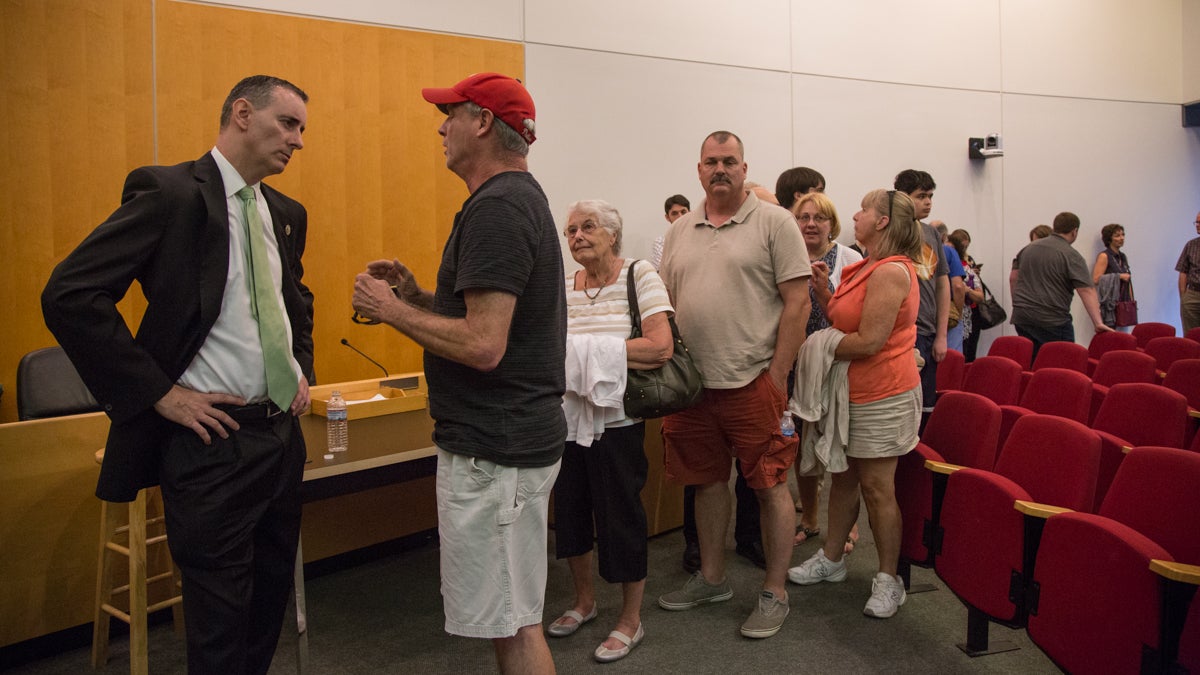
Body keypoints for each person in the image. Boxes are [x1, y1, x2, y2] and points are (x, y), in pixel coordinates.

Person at [42, 75, 314, 674]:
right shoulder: (170, 194)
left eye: (301, 129)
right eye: (288, 124)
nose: (298, 141)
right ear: (243, 114)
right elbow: (70, 294)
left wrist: (301, 370)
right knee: (218, 629)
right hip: (211, 444)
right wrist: (159, 394)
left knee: (266, 611)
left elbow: (295, 300)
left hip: (279, 439)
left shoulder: (285, 212)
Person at [351, 72, 565, 674]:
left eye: (451, 114)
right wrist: (417, 296)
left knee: (517, 625)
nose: (441, 127)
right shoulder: (513, 200)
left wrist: (390, 310)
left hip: (496, 449)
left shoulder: (498, 208)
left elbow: (483, 345)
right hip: (507, 443)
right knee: (510, 616)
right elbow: (489, 324)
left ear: (483, 123)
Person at [656, 131, 810, 640]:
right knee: (706, 482)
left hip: (753, 381)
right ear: (697, 170)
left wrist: (778, 375)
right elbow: (671, 303)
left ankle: (774, 591)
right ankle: (713, 578)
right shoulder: (681, 231)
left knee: (769, 486)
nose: (719, 169)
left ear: (744, 168)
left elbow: (798, 303)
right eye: (710, 162)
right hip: (693, 386)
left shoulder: (775, 222)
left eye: (729, 161)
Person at [787, 189, 923, 620]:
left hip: (883, 393)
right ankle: (832, 559)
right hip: (852, 392)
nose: (856, 215)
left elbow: (869, 342)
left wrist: (812, 347)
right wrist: (825, 293)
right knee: (843, 478)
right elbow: (845, 322)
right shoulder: (866, 267)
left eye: (864, 210)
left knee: (878, 488)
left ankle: (888, 580)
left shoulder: (891, 272)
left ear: (882, 222)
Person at [549, 199, 673, 663]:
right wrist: (585, 354)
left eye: (588, 227)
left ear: (613, 234)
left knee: (621, 515)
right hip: (565, 422)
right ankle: (583, 601)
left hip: (618, 422)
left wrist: (583, 351)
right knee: (571, 513)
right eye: (571, 229)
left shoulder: (638, 275)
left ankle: (630, 619)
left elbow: (659, 347)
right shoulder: (563, 286)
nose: (577, 235)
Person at [788, 191, 862, 549]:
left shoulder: (850, 258)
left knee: (839, 442)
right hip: (796, 363)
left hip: (836, 363)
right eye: (804, 217)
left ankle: (845, 523)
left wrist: (823, 292)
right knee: (803, 441)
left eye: (820, 217)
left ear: (832, 224)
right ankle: (810, 518)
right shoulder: (786, 256)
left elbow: (855, 317)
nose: (811, 224)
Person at [1010, 211, 1112, 358]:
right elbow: (1086, 290)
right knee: (1064, 363)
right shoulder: (1071, 255)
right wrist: (1098, 322)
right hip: (1052, 320)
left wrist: (1018, 305)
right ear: (1074, 231)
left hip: (1022, 317)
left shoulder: (1028, 249)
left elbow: (1013, 278)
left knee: (1032, 362)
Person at [893, 170, 948, 430]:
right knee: (899, 409)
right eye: (921, 196)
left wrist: (942, 335)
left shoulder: (932, 234)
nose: (928, 202)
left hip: (926, 331)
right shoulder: (889, 230)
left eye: (930, 196)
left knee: (924, 411)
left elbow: (942, 284)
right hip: (899, 332)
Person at [948, 229, 986, 361]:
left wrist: (967, 290)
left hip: (966, 315)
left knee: (965, 353)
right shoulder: (957, 265)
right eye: (963, 246)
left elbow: (980, 296)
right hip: (955, 316)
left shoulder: (968, 265)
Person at [934, 221, 968, 354]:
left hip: (924, 314)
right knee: (952, 358)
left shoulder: (918, 249)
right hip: (947, 312)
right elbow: (958, 286)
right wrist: (958, 315)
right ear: (944, 237)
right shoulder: (948, 251)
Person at [1092, 223, 1132, 329]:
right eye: (1117, 236)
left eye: (1123, 235)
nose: (1121, 238)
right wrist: (1118, 276)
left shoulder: (1122, 257)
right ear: (1109, 239)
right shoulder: (1104, 256)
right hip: (1110, 304)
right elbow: (1096, 279)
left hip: (1123, 301)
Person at [651, 194, 690, 269]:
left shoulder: (700, 237)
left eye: (683, 212)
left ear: (690, 213)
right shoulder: (661, 243)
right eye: (674, 213)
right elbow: (662, 271)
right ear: (667, 217)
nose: (680, 216)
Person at [1177, 211, 1200, 332]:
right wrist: (1184, 297)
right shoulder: (1191, 245)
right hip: (1193, 295)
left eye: (1199, 222)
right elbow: (1183, 271)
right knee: (1191, 336)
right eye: (1196, 222)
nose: (1197, 225)